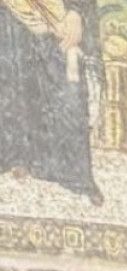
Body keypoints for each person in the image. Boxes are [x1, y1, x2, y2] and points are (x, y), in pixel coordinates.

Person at [0, 0, 102, 202]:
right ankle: (14, 158)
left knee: (66, 91)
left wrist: (75, 12)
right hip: (8, 15)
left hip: (56, 17)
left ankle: (72, 173)